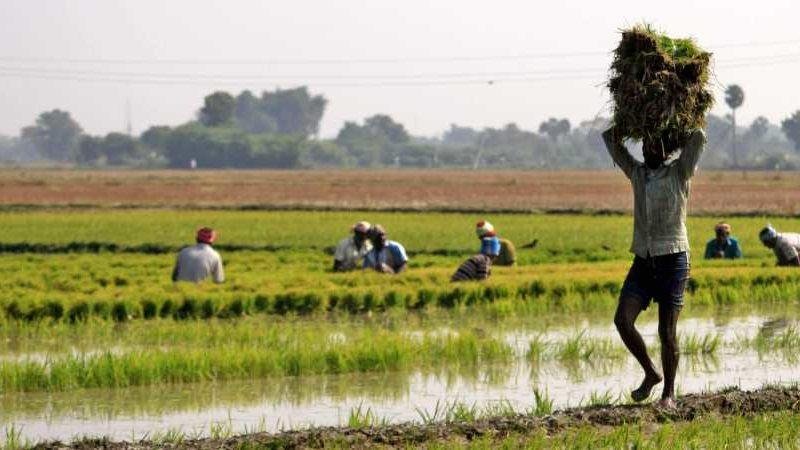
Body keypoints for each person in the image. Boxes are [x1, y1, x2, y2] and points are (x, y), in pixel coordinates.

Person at [603, 126, 706, 410]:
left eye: (657, 145)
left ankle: (669, 395)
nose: (650, 149)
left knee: (666, 331)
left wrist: (677, 126)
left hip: (673, 259)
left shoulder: (679, 172)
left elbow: (697, 136)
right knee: (622, 320)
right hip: (644, 259)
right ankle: (651, 372)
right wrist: (633, 120)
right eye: (646, 144)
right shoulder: (637, 174)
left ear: (666, 149)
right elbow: (609, 139)